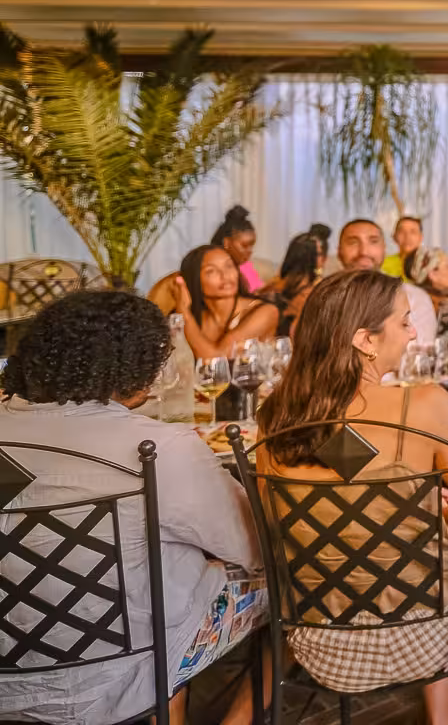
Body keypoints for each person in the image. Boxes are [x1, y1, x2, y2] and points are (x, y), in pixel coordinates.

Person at [0, 291, 265, 725]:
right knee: (275, 582)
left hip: (8, 673)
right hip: (125, 678)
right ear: (132, 369)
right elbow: (253, 548)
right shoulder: (162, 450)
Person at [256, 270, 448, 725]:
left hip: (323, 641)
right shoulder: (424, 404)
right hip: (429, 634)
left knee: (406, 552)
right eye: (405, 321)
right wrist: (430, 519)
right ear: (365, 340)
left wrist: (407, 521)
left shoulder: (275, 413)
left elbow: (274, 526)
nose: (413, 333)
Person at [337, 219, 437, 345]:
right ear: (339, 251)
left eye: (373, 241)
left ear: (384, 248)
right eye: (353, 242)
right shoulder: (324, 298)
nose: (363, 251)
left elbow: (420, 352)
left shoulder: (414, 297)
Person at [174, 244, 279, 359]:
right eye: (211, 271)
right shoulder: (197, 317)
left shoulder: (267, 312)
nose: (225, 276)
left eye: (229, 266)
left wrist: (183, 312)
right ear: (194, 280)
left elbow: (217, 361)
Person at [257, 233, 322, 339]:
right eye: (319, 254)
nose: (323, 258)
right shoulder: (311, 294)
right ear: (311, 258)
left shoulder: (272, 285)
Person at [212, 204, 262, 294]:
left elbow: (258, 290)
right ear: (226, 242)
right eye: (244, 246)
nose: (250, 251)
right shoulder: (212, 267)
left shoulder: (245, 265)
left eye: (252, 246)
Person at [383, 215, 427, 281]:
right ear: (394, 236)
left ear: (421, 237)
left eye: (413, 232)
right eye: (401, 231)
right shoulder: (382, 263)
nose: (407, 236)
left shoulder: (429, 263)